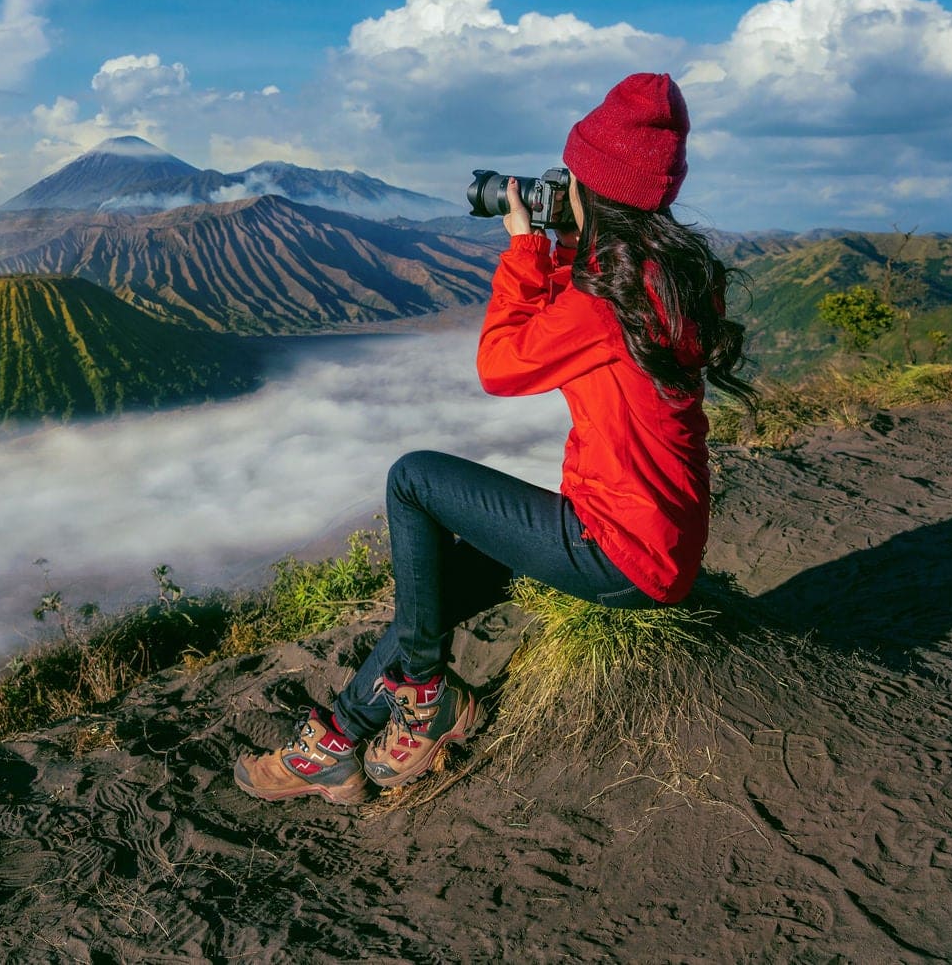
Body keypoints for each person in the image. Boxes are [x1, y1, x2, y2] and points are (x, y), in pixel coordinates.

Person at [233, 71, 756, 805]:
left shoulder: (606, 300)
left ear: (594, 187)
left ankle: (425, 693)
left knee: (412, 478)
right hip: (661, 542)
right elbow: (583, 328)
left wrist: (523, 249)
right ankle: (340, 742)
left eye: (570, 179)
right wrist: (575, 244)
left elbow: (499, 368)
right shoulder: (670, 276)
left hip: (617, 550)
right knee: (439, 586)